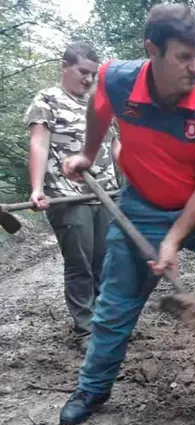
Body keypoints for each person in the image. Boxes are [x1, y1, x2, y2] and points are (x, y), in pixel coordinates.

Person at [57, 5, 195, 425]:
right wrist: (88, 153)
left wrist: (173, 240)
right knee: (116, 305)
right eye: (183, 57)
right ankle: (93, 389)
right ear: (151, 50)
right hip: (141, 207)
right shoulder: (117, 79)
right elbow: (100, 109)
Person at [24, 42, 121, 353]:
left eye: (93, 74)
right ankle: (85, 328)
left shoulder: (101, 102)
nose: (89, 79)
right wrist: (37, 188)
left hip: (106, 192)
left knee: (106, 261)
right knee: (80, 262)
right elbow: (39, 144)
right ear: (65, 66)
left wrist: (135, 180)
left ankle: (107, 324)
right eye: (83, 72)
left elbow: (116, 146)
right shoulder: (47, 99)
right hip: (66, 195)